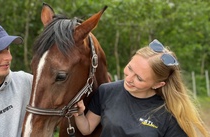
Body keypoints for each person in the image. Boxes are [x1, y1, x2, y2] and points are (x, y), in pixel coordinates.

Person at [73, 39, 209, 137]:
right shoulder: (107, 91)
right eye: (130, 68)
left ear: (158, 84)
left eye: (139, 78)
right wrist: (79, 114)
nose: (129, 78)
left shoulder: (169, 114)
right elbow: (87, 128)